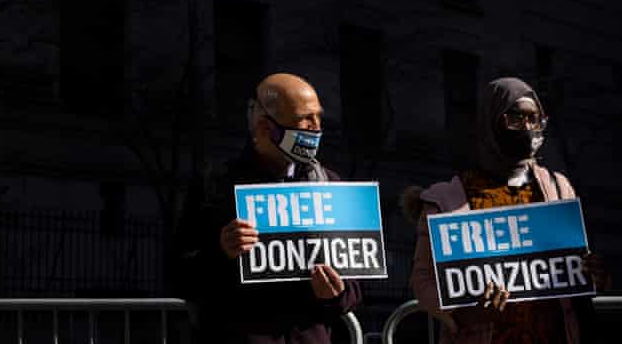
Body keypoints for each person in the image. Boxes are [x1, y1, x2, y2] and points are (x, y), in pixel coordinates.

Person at [402, 77, 612, 344]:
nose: (526, 127)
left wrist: (595, 274)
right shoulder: (448, 199)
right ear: (491, 121)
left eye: (534, 119)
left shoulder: (558, 187)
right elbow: (423, 281)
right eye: (516, 118)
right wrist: (466, 311)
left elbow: (575, 267)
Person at [172, 73, 362, 344]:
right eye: (304, 119)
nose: (316, 128)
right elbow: (179, 275)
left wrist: (336, 294)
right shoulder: (216, 185)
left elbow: (355, 287)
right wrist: (221, 252)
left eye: (318, 117)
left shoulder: (329, 185)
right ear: (265, 128)